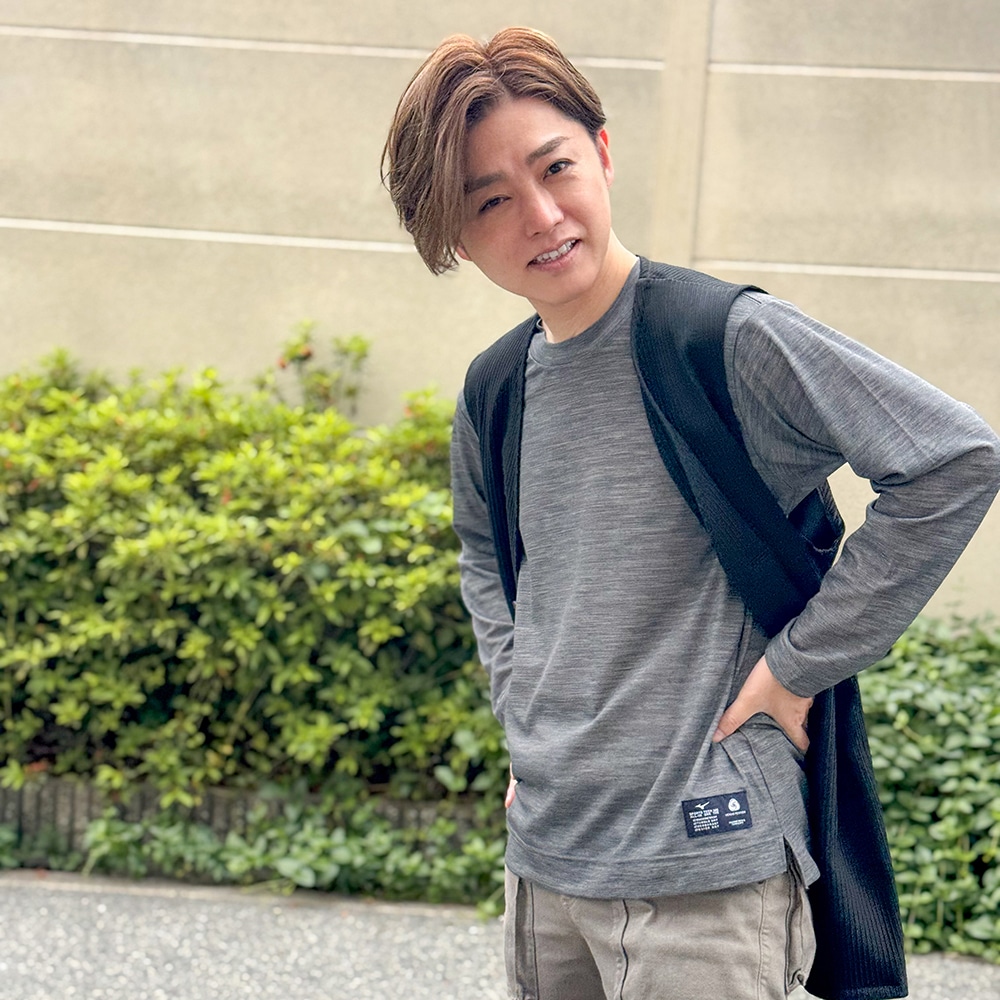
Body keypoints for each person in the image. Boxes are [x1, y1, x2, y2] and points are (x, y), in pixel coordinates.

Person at [381, 26, 1000, 1000]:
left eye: (556, 167)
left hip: (708, 871)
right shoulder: (495, 391)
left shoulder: (723, 340)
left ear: (603, 152)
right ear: (455, 235)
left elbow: (952, 460)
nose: (541, 216)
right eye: (490, 200)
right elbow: (486, 560)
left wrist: (798, 667)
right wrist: (523, 715)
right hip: (547, 866)